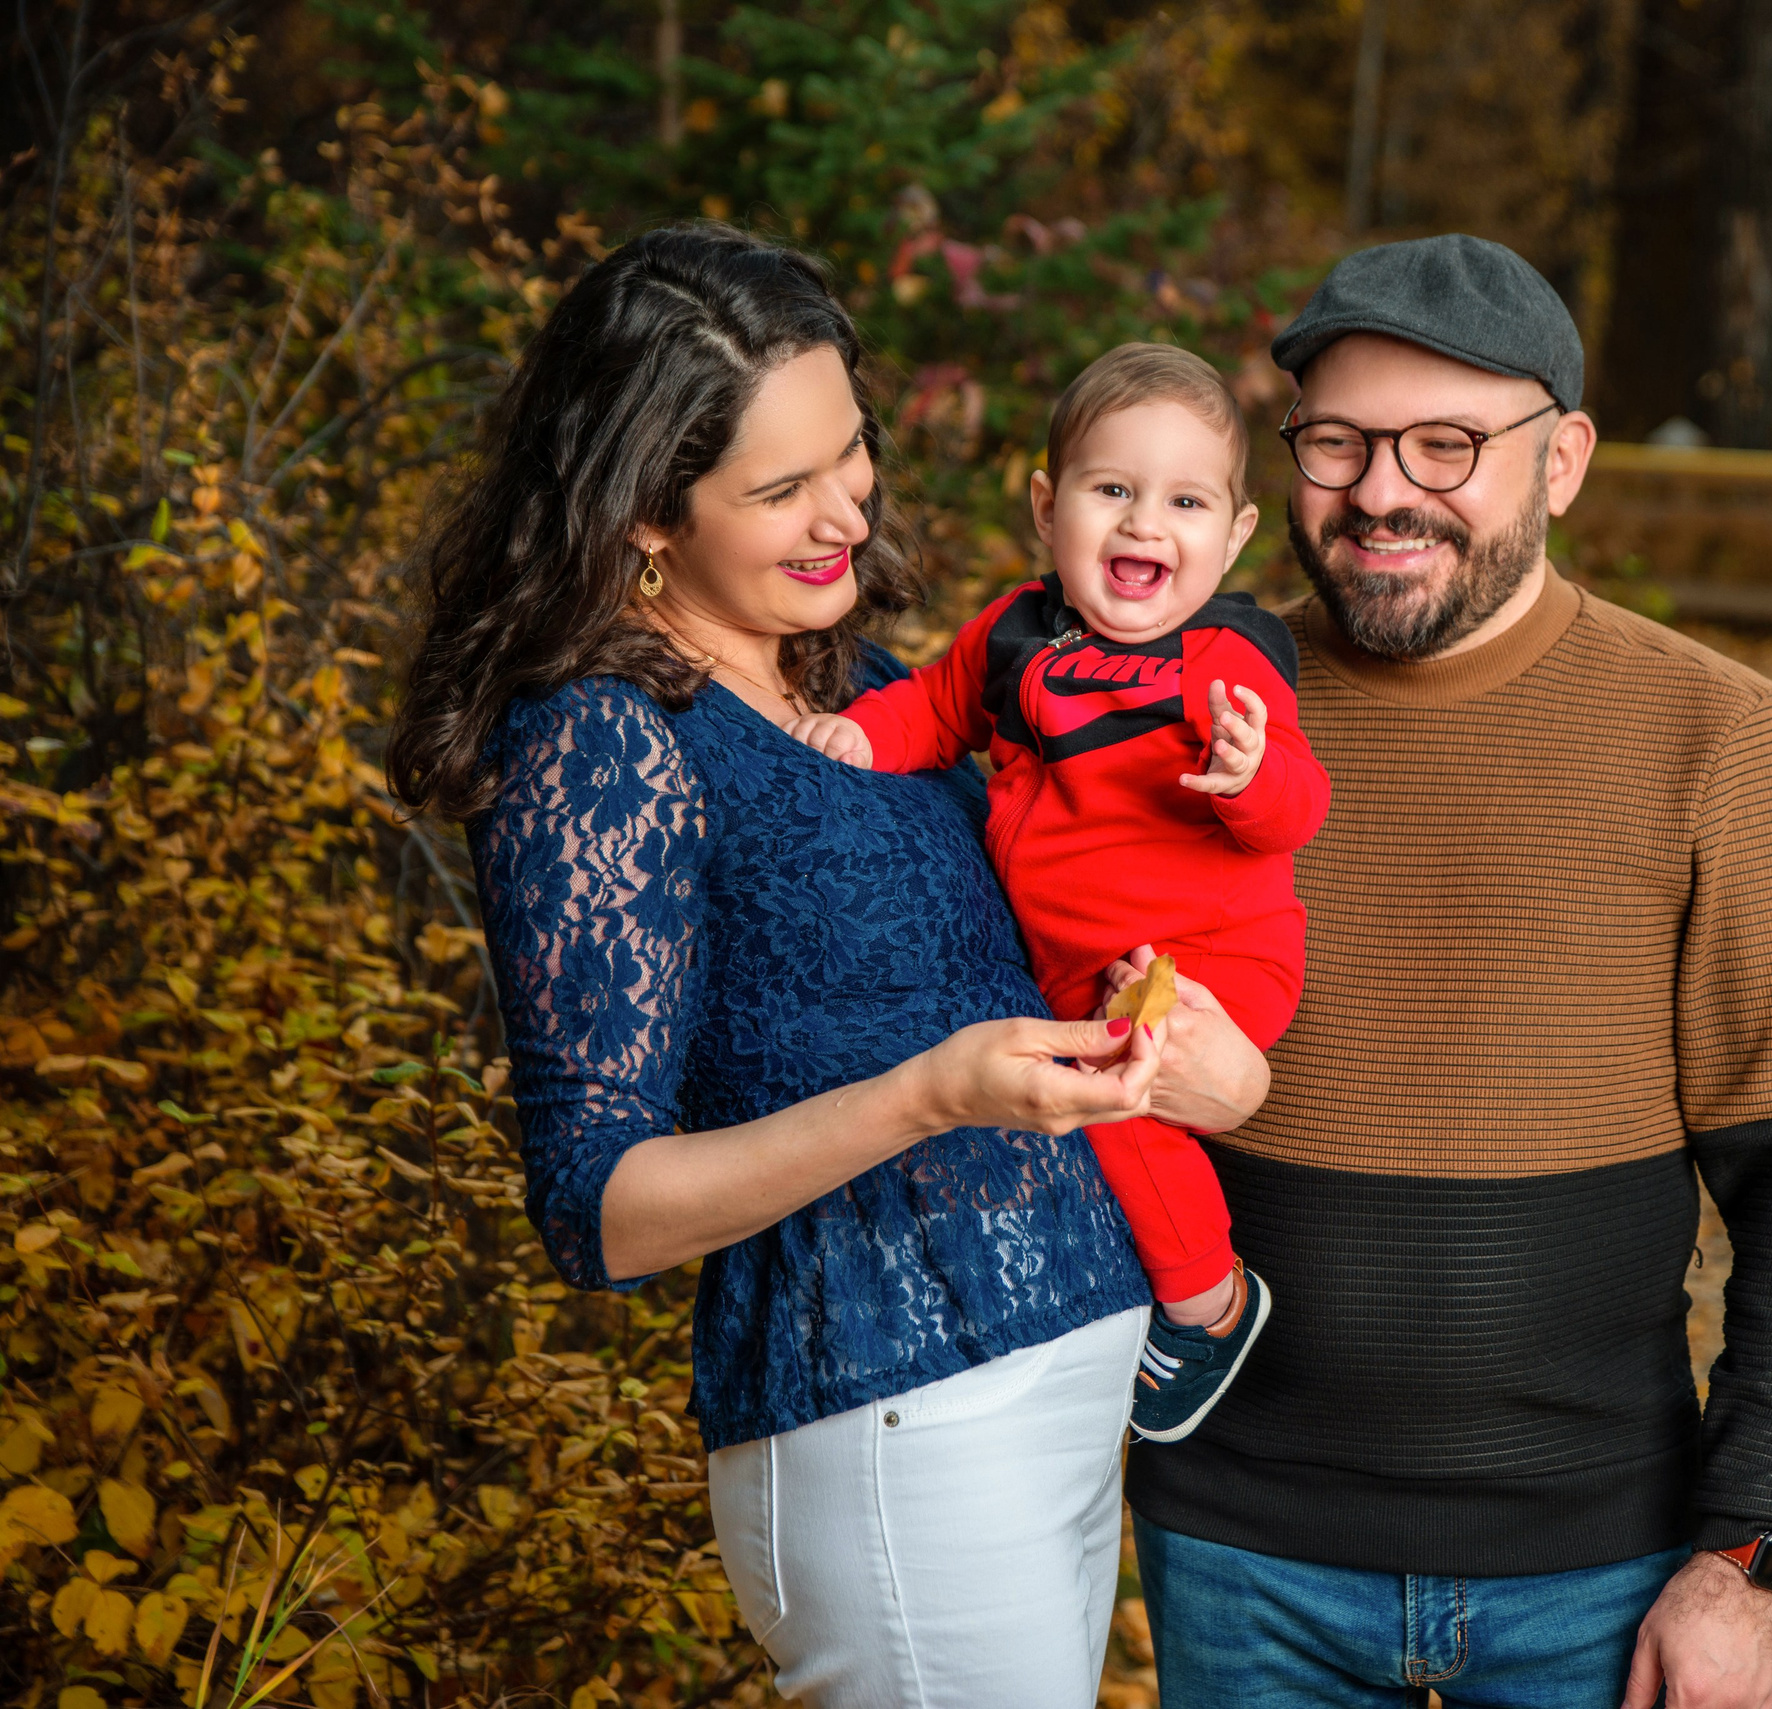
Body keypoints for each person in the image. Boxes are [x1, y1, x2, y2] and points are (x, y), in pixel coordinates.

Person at [385, 224, 1271, 1709]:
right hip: (893, 1426)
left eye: (849, 451)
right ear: (644, 511)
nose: (845, 513)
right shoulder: (600, 738)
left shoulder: (858, 678)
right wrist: (927, 1095)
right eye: (779, 489)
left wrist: (1209, 1069)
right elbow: (598, 1208)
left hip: (1060, 1398)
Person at [1124, 233, 1772, 1709]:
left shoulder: (1715, 736)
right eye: (1339, 442)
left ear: (1564, 461)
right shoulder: (1186, 711)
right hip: (1239, 1550)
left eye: (1447, 444)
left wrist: (1750, 1556)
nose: (1382, 491)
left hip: (1598, 1568)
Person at [786, 343, 1330, 1442]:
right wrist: (863, 735)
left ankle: (1210, 1306)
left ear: (1231, 537)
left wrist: (1250, 773)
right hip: (1080, 967)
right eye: (1112, 489)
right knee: (1081, 1108)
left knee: (1118, 1117)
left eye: (1184, 502)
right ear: (1048, 506)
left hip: (1208, 957)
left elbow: (1297, 809)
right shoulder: (1014, 634)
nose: (1144, 524)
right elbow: (933, 707)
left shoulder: (1224, 658)